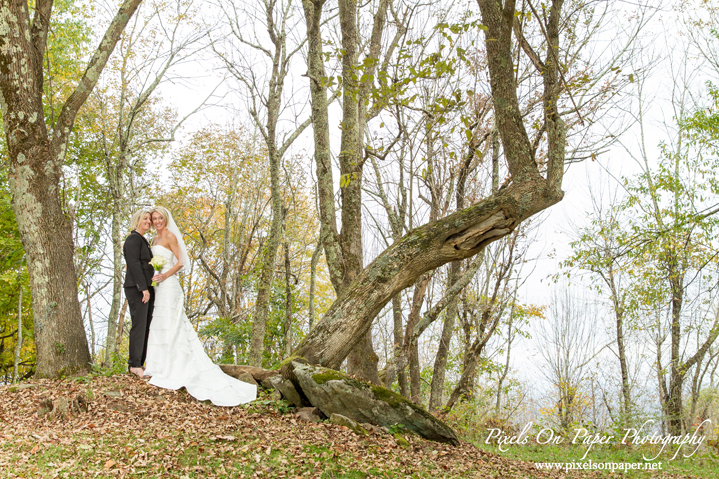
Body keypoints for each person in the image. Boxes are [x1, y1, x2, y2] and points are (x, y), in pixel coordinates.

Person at [143, 206, 256, 406]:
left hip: (169, 285)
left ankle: (176, 366)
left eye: (160, 217)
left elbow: (181, 261)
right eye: (154, 218)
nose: (157, 221)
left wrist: (165, 274)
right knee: (159, 323)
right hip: (158, 286)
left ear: (165, 218)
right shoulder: (153, 240)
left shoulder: (169, 236)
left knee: (173, 322)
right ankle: (159, 366)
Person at [123, 209, 155, 378]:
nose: (148, 222)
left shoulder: (143, 240)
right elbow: (134, 265)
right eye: (145, 219)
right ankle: (134, 364)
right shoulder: (133, 239)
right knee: (139, 325)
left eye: (149, 219)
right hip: (137, 289)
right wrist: (143, 288)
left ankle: (140, 362)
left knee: (145, 325)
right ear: (137, 220)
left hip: (146, 287)